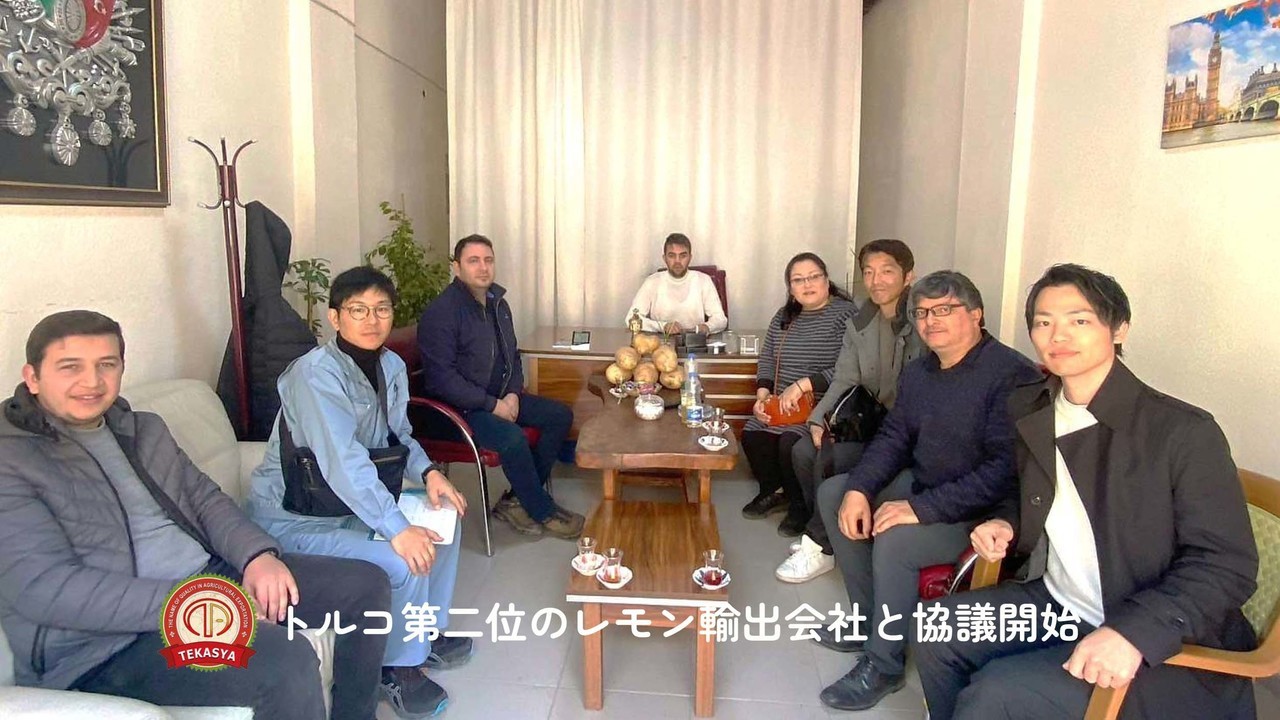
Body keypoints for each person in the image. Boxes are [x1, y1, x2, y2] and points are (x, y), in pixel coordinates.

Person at [0, 310, 392, 720]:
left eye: (106, 365)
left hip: (207, 580)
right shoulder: (13, 459)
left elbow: (205, 500)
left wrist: (257, 555)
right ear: (33, 377)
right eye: (70, 367)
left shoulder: (142, 429)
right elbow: (47, 590)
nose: (92, 381)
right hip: (107, 644)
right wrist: (203, 603)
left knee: (364, 586)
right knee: (284, 660)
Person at [915, 264, 1259, 720]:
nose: (1058, 335)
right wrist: (1006, 522)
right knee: (936, 628)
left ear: (1118, 329)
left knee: (996, 693)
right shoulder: (1033, 407)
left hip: (1147, 624)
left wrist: (1135, 632)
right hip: (1060, 602)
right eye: (1043, 322)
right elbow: (1032, 489)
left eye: (1079, 320)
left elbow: (1227, 564)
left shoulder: (1181, 431)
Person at [813, 270, 1042, 712]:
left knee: (897, 539)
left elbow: (1004, 471)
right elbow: (894, 437)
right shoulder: (920, 372)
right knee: (835, 494)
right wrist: (860, 488)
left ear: (976, 315)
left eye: (944, 310)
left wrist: (921, 509)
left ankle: (884, 664)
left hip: (985, 510)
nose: (930, 321)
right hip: (927, 482)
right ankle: (869, 622)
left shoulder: (1013, 376)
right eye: (921, 313)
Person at [247, 267, 470, 719]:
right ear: (335, 318)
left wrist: (429, 472)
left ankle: (423, 631)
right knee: (403, 557)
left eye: (381, 309)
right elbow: (343, 462)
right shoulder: (313, 376)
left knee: (444, 516)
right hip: (299, 516)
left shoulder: (390, 366)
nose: (372, 320)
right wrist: (397, 528)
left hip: (352, 506)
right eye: (358, 310)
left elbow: (399, 435)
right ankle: (396, 667)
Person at [775, 239, 925, 583]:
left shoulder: (920, 322)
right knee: (804, 449)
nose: (876, 280)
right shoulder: (861, 322)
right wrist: (819, 419)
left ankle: (820, 547)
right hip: (870, 421)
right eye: (869, 272)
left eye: (887, 271)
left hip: (905, 432)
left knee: (834, 458)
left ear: (908, 276)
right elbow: (846, 376)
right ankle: (824, 531)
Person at [416, 235, 583, 539]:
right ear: (457, 268)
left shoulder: (498, 304)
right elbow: (442, 379)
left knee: (559, 415)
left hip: (498, 397)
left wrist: (513, 394)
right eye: (473, 261)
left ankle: (517, 500)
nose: (483, 267)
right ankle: (542, 510)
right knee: (512, 437)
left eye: (488, 260)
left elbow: (512, 356)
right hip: (459, 410)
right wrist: (492, 405)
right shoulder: (441, 313)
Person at [740, 252, 856, 524]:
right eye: (798, 280)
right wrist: (762, 395)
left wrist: (803, 385)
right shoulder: (784, 316)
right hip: (782, 403)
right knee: (752, 434)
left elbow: (850, 367)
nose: (807, 284)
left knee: (789, 443)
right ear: (790, 288)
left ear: (826, 280)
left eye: (814, 277)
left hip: (822, 404)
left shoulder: (846, 315)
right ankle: (773, 491)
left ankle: (799, 504)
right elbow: (767, 358)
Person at [624, 232, 728, 336]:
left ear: (690, 257)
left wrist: (707, 327)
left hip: (695, 342)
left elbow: (721, 319)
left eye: (683, 256)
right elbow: (631, 319)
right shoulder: (652, 282)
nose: (677, 261)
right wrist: (663, 326)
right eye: (672, 256)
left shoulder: (703, 280)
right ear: (664, 258)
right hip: (661, 342)